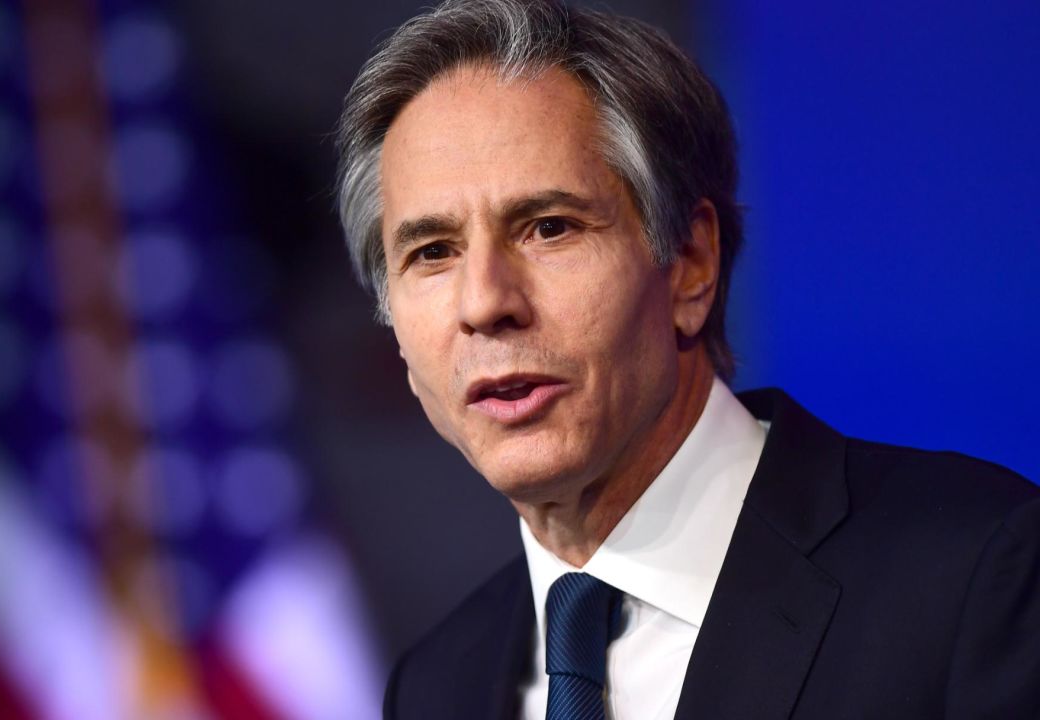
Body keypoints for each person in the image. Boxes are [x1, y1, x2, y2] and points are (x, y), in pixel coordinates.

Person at [332, 0, 1040, 718]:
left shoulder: (979, 573)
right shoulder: (438, 685)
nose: (484, 303)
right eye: (432, 253)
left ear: (691, 262)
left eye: (549, 228)